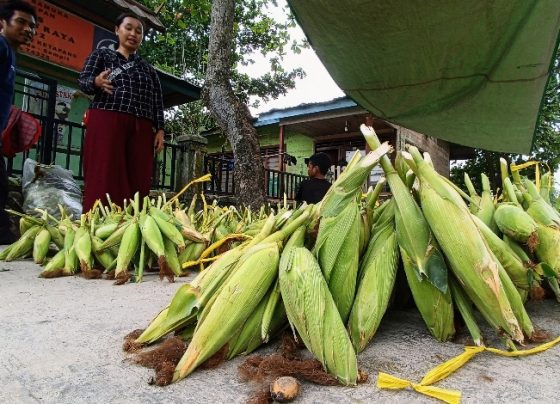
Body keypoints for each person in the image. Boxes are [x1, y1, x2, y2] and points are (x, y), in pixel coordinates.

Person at [78, 13, 165, 212]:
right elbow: (83, 81)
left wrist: (160, 129)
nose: (133, 34)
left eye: (138, 31)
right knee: (104, 170)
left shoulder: (148, 69)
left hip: (142, 125)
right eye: (128, 28)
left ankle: (133, 222)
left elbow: (157, 100)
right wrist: (96, 82)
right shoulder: (101, 56)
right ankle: (98, 220)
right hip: (107, 118)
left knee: (139, 175)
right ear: (117, 30)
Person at [0, 0, 37, 244]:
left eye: (32, 26)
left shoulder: (10, 54)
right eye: (21, 22)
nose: (28, 29)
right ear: (2, 23)